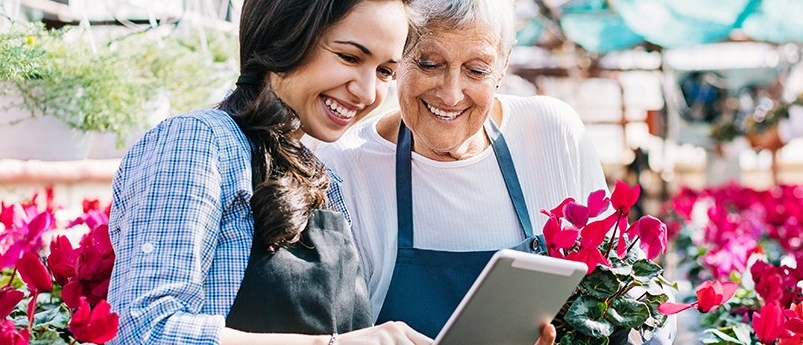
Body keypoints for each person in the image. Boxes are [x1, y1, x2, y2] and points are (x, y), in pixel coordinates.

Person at [106, 0, 432, 343]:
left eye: (385, 72)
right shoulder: (201, 141)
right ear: (285, 37)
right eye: (350, 57)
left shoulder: (324, 179)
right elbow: (141, 329)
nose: (367, 92)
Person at [316, 0, 636, 343]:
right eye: (429, 63)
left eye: (477, 70)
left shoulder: (553, 134)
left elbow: (625, 292)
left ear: (504, 63)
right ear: (397, 55)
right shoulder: (343, 169)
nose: (451, 94)